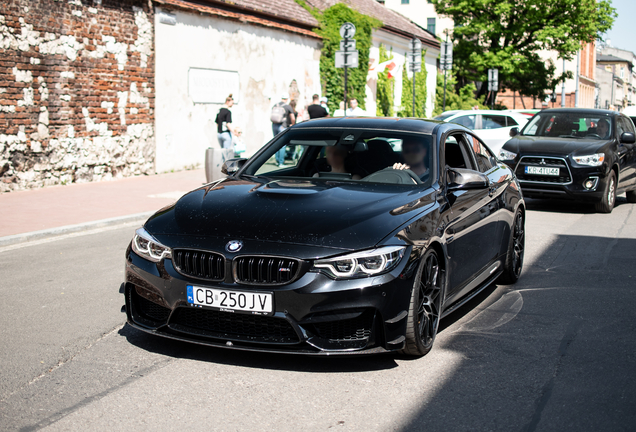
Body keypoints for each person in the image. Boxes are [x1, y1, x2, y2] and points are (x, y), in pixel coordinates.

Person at [271, 95, 295, 167]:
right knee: (282, 144)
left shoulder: (275, 105)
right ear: (287, 99)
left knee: (275, 143)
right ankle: (281, 162)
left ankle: (277, 160)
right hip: (282, 126)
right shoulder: (287, 107)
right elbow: (292, 118)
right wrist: (292, 125)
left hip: (274, 125)